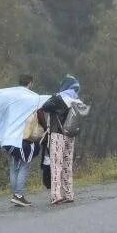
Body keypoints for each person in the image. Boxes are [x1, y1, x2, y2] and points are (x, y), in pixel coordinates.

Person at [40, 75, 88, 204]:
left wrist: (54, 97)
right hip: (70, 135)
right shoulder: (77, 99)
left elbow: (44, 107)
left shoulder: (59, 98)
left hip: (58, 134)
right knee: (67, 165)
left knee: (56, 165)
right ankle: (69, 194)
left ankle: (56, 195)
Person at [8, 75, 42, 207]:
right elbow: (38, 112)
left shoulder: (12, 98)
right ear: (30, 83)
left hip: (11, 137)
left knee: (14, 166)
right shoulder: (30, 97)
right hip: (24, 137)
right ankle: (19, 195)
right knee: (24, 164)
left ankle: (15, 194)